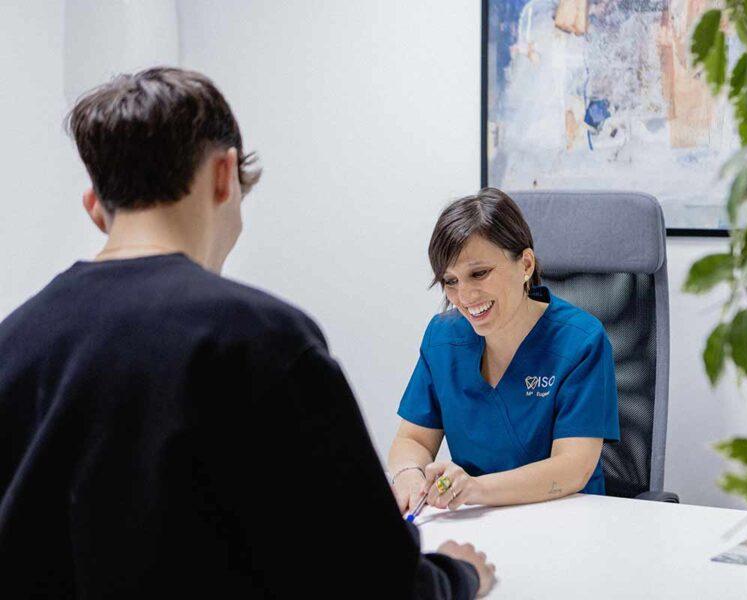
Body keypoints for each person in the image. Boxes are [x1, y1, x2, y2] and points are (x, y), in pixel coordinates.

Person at [0, 67, 494, 598]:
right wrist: (457, 575)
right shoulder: (260, 341)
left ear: (96, 208)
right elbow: (374, 579)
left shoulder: (14, 343)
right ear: (224, 175)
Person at [389, 188, 619, 514]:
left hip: (566, 522)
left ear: (525, 264)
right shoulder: (443, 339)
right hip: (477, 521)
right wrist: (409, 475)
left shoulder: (580, 341)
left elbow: (573, 468)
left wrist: (474, 489)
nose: (464, 296)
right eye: (450, 281)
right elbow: (413, 440)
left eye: (479, 273)